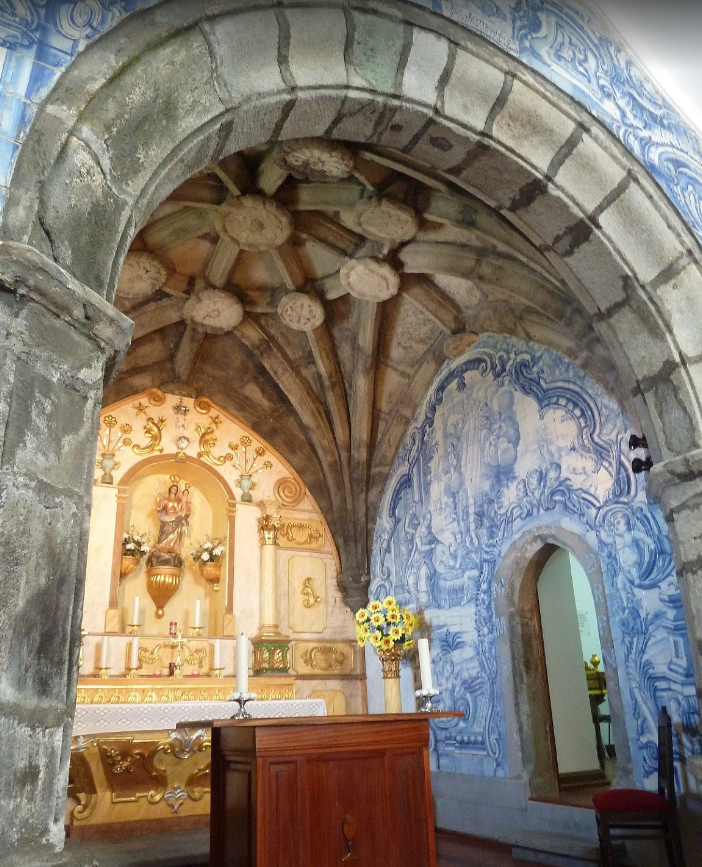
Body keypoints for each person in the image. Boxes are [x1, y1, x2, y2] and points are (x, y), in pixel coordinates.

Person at [148, 481, 192, 567]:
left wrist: (186, 505)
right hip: (166, 520)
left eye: (176, 489)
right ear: (170, 489)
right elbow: (159, 508)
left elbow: (185, 510)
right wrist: (159, 501)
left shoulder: (179, 500)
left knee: (176, 535)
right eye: (173, 488)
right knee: (164, 535)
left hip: (176, 520)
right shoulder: (165, 499)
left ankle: (172, 549)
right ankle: (161, 548)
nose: (174, 490)